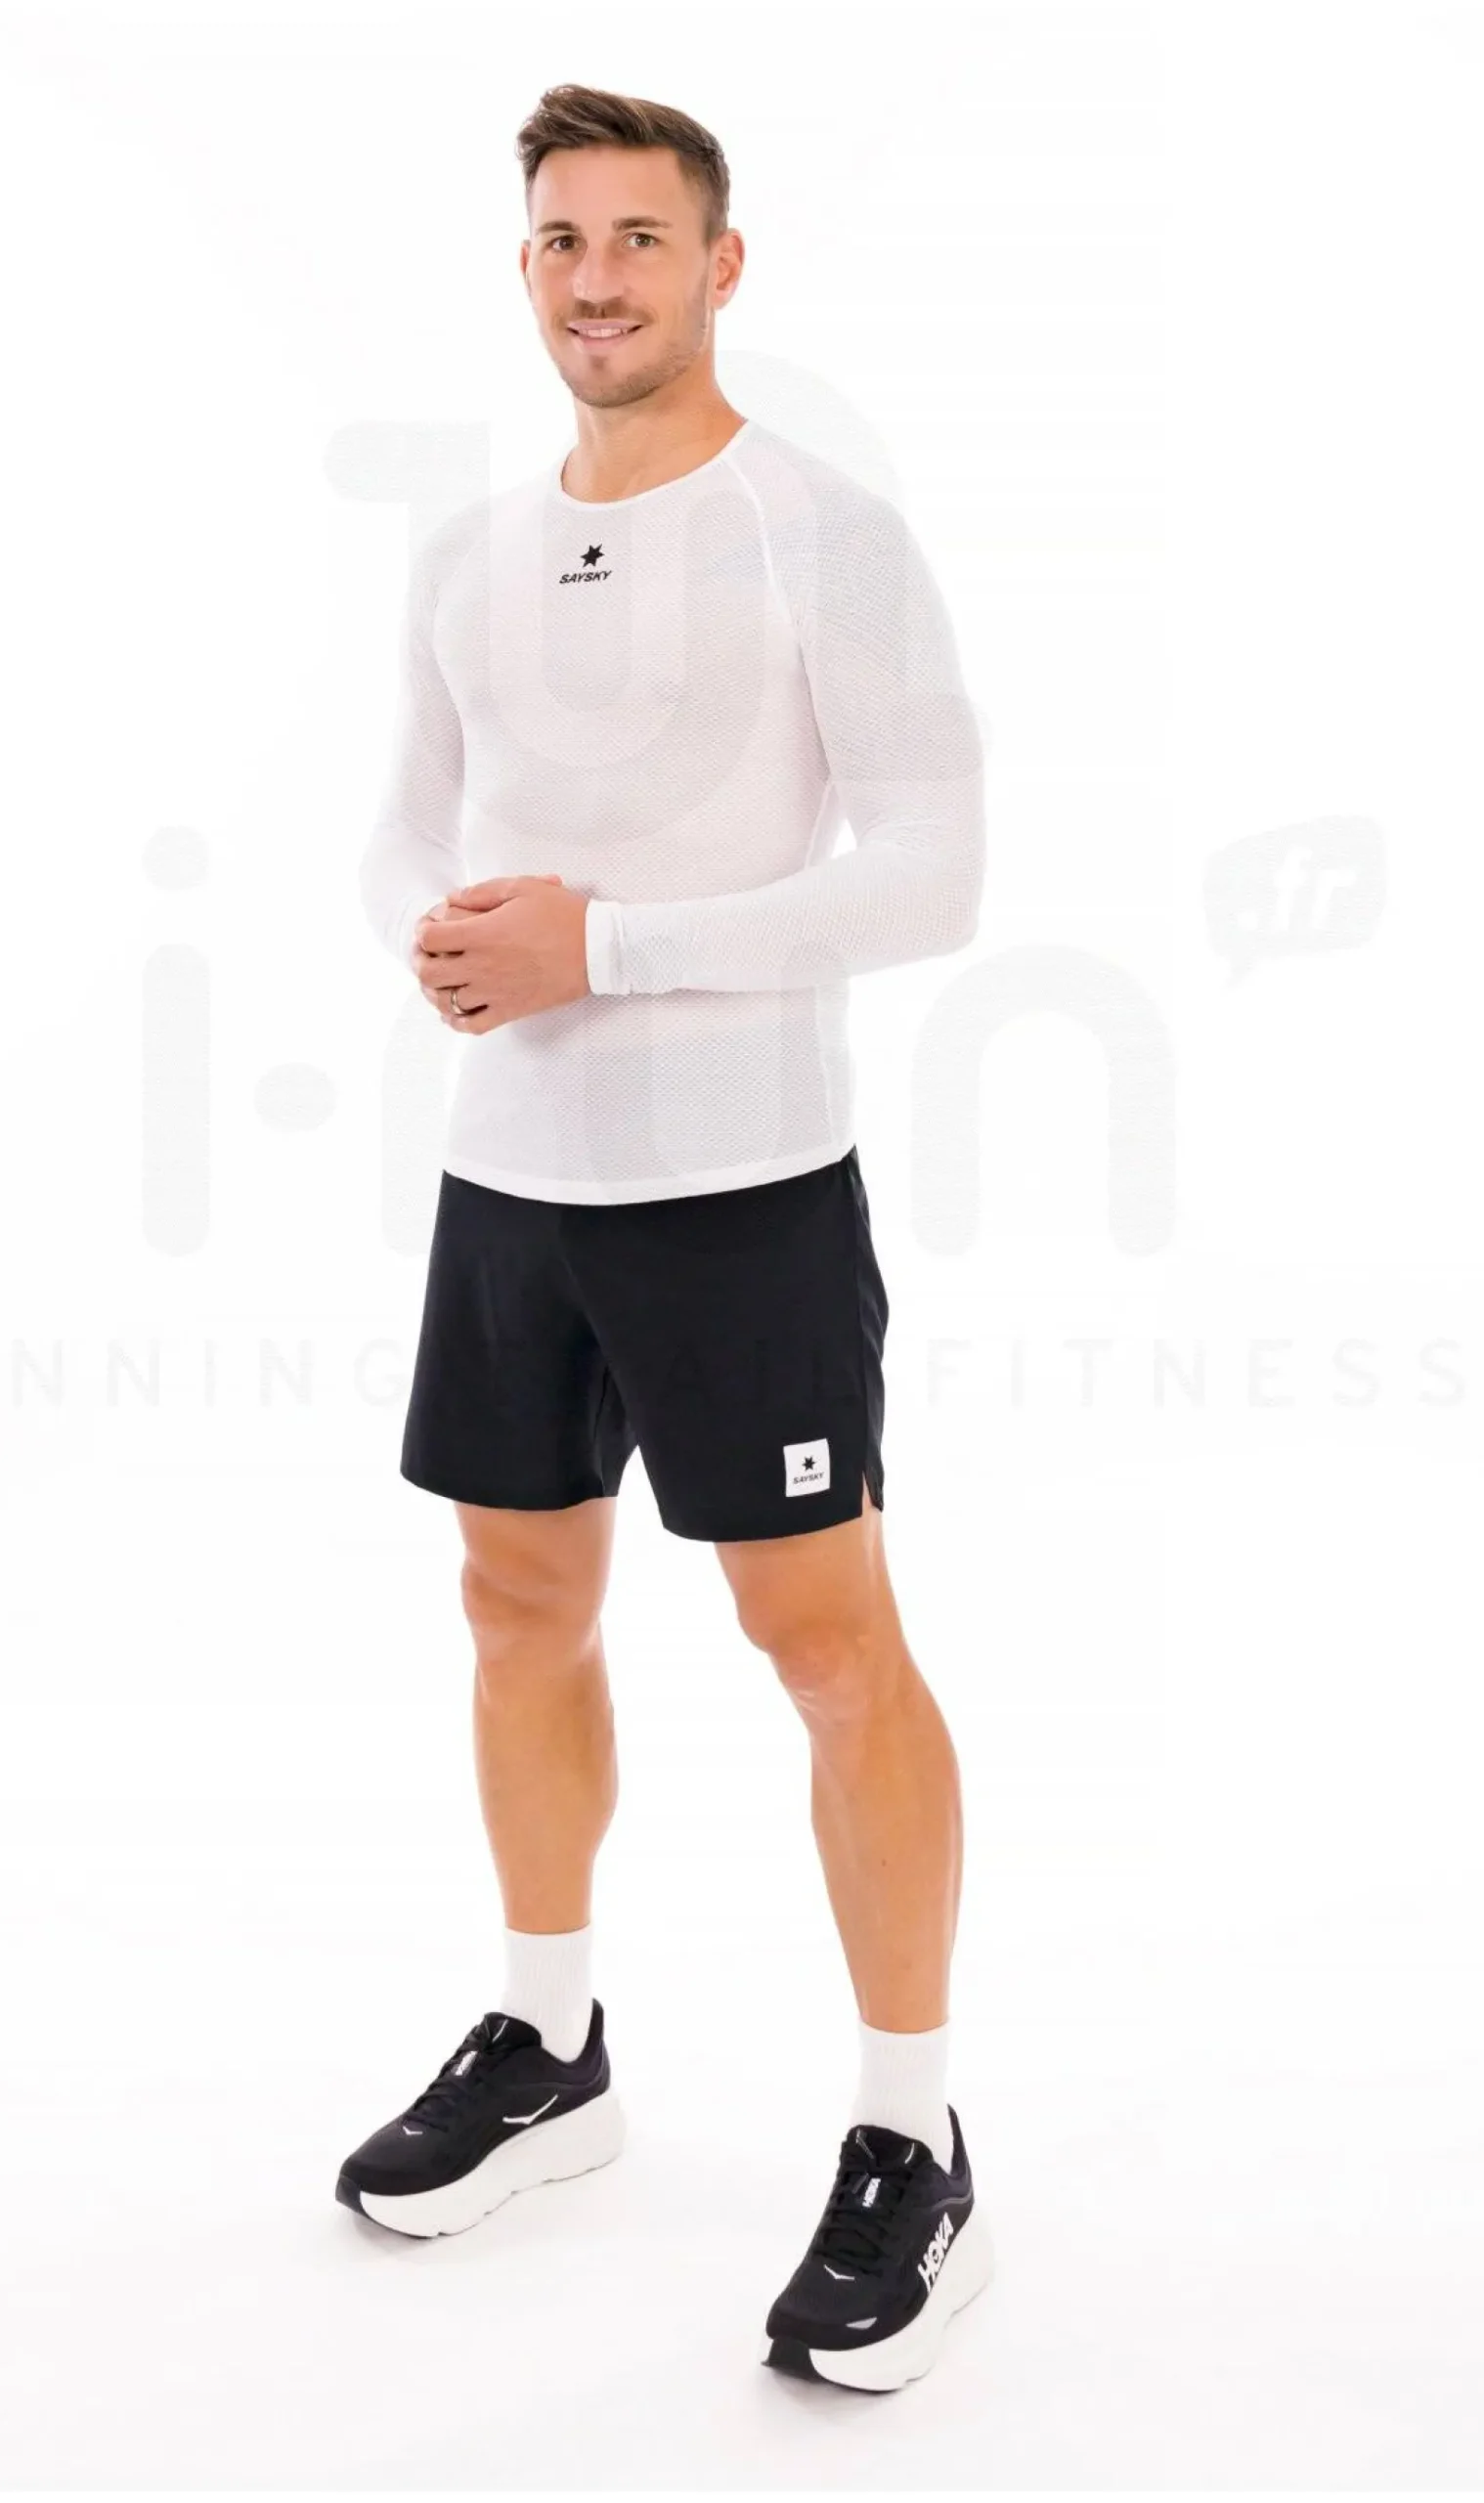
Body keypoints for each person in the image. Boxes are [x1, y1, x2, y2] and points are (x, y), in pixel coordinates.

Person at [338, 80, 992, 2394]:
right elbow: (402, 828)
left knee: (828, 1646)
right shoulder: (465, 551)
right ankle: (550, 2039)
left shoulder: (821, 532)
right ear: (521, 268)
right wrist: (440, 944)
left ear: (720, 266)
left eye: (637, 237)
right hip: (509, 1179)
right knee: (512, 1601)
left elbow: (933, 872)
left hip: (740, 1188)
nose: (595, 277)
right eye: (559, 239)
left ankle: (911, 2130)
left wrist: (596, 947)